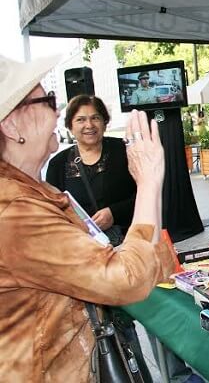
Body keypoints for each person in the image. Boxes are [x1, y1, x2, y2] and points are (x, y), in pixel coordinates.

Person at [0, 54, 174, 381]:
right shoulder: (15, 212)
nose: (56, 110)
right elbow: (125, 279)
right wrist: (150, 180)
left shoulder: (28, 192)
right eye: (47, 99)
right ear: (11, 124)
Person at [47, 95, 136, 243]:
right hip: (82, 247)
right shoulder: (58, 164)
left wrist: (114, 213)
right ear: (70, 126)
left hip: (128, 239)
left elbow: (146, 191)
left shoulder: (123, 151)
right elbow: (53, 212)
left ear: (104, 122)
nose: (89, 125)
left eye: (95, 118)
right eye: (80, 119)